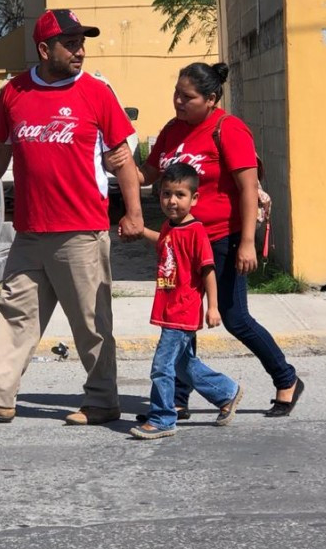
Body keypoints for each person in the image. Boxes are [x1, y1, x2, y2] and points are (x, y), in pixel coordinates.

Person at [0, 8, 145, 425]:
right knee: (15, 314)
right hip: (29, 232)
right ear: (45, 49)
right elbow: (0, 150)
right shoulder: (14, 92)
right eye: (70, 43)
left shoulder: (96, 92)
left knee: (91, 323)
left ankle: (102, 400)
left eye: (82, 43)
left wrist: (133, 212)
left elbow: (121, 157)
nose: (80, 51)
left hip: (81, 231)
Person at [110, 62, 305, 418]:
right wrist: (121, 163)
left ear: (211, 99)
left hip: (222, 239)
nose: (178, 102)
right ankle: (178, 398)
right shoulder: (172, 131)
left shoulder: (228, 129)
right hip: (182, 239)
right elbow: (147, 175)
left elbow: (248, 188)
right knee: (182, 319)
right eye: (176, 94)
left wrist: (247, 242)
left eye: (188, 97)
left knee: (235, 318)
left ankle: (286, 378)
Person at [131, 163, 243, 440]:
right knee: (183, 365)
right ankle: (226, 392)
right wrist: (140, 231)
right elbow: (164, 242)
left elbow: (208, 271)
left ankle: (162, 418)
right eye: (166, 194)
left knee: (162, 367)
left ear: (194, 198)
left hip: (183, 309)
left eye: (180, 195)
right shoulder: (170, 227)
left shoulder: (196, 231)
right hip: (169, 308)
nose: (172, 201)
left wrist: (213, 307)